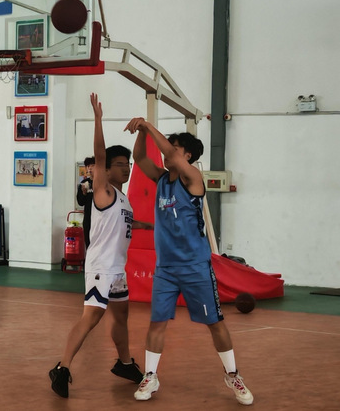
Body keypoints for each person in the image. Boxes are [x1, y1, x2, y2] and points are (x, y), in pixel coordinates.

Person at [124, 117, 254, 406]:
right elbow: (140, 158)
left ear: (188, 155)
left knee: (215, 323)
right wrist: (142, 132)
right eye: (170, 146)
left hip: (195, 266)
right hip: (166, 268)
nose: (169, 151)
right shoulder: (161, 179)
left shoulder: (193, 177)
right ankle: (151, 376)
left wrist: (148, 125)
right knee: (157, 322)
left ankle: (233, 375)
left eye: (176, 147)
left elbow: (169, 154)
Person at [49, 93, 148, 398]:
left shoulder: (123, 199)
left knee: (121, 316)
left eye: (128, 164)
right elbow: (99, 155)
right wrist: (97, 119)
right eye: (119, 165)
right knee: (91, 317)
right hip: (101, 268)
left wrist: (153, 226)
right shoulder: (103, 190)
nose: (126, 169)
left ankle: (125, 362)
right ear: (106, 170)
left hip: (117, 270)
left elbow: (125, 225)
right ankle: (62, 367)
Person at [76, 156, 96, 247]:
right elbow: (80, 202)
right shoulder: (84, 183)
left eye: (93, 165)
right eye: (88, 166)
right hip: (88, 218)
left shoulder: (103, 183)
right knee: (88, 244)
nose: (90, 168)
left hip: (101, 219)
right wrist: (84, 193)